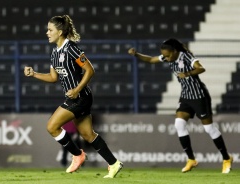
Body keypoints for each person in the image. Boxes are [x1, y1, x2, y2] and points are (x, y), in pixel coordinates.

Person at [24, 15, 123, 178]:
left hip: (81, 97)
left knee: (51, 127)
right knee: (88, 134)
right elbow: (53, 78)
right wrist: (34, 74)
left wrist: (76, 89)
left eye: (50, 30)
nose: (47, 32)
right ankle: (114, 164)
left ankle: (78, 155)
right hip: (75, 98)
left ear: (60, 32)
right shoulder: (54, 53)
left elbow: (90, 70)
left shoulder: (71, 48)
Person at [128, 38, 233, 173]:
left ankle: (226, 158)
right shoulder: (169, 58)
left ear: (175, 51)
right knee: (179, 124)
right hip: (186, 97)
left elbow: (201, 68)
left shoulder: (186, 56)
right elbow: (151, 60)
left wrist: (188, 73)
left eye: (168, 55)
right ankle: (191, 159)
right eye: (164, 56)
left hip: (199, 96)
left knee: (209, 128)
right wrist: (136, 54)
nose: (166, 58)